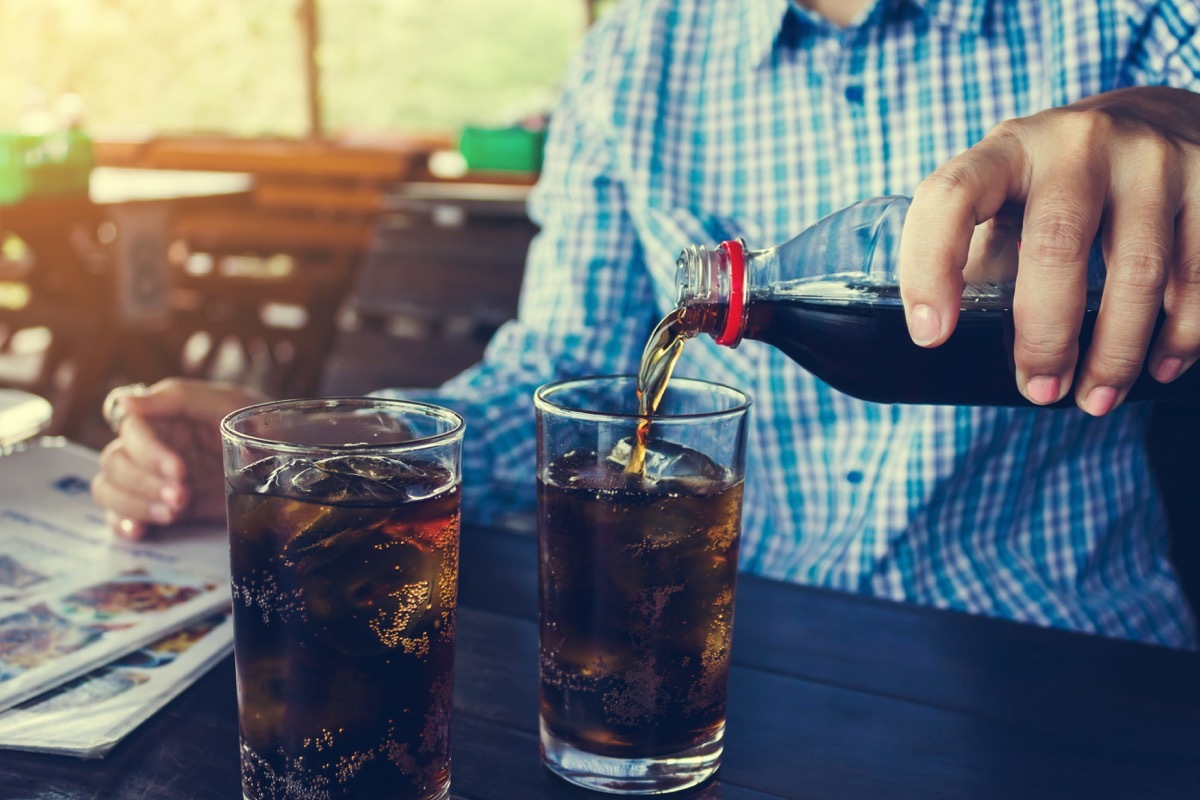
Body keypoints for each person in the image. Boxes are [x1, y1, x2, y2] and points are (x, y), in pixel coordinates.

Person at [92, 0, 1200, 649]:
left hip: (1067, 651)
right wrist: (318, 444)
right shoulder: (640, 47)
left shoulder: (1122, 15)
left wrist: (1166, 135)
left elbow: (1181, 113)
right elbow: (565, 379)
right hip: (728, 651)